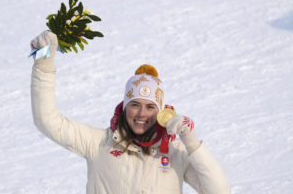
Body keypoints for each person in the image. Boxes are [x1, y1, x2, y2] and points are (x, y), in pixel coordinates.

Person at [30, 31, 231, 194]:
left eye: (150, 106)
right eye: (135, 104)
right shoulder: (99, 143)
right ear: (125, 106)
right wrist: (43, 66)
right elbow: (47, 121)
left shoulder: (175, 152)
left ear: (160, 111)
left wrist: (193, 146)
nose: (142, 114)